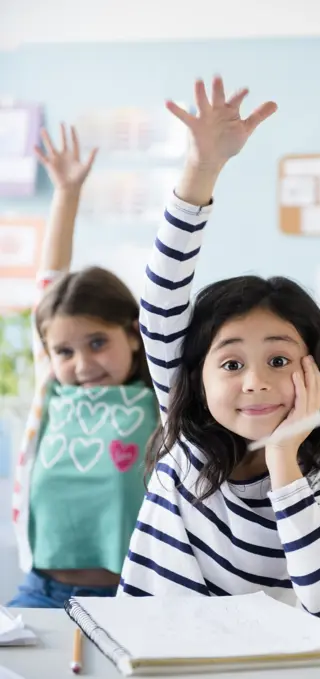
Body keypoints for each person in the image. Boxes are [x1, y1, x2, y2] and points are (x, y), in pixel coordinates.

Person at [119, 77, 320, 617]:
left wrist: (283, 453)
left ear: (315, 368)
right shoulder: (185, 435)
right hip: (151, 656)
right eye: (231, 362)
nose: (255, 380)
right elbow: (161, 301)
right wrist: (201, 170)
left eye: (278, 360)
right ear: (197, 377)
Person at [8, 125, 158, 608]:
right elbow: (48, 288)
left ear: (134, 335)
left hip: (131, 596)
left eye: (97, 342)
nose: (82, 363)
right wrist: (66, 193)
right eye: (65, 351)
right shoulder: (51, 394)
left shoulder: (158, 400)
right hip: (43, 591)